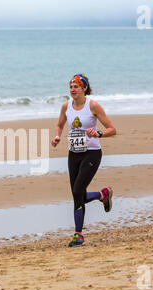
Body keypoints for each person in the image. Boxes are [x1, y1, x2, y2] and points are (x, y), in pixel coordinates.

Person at [51, 74, 116, 247]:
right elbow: (60, 124)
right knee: (76, 194)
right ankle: (102, 195)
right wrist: (57, 136)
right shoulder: (66, 106)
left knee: (78, 190)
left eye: (76, 87)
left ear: (84, 88)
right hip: (74, 154)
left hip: (92, 153)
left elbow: (112, 129)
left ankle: (78, 235)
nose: (72, 90)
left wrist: (98, 133)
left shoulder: (93, 106)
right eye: (71, 87)